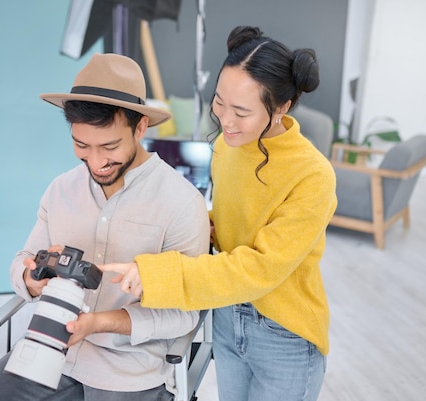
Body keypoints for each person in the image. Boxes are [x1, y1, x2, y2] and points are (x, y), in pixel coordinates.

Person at [101, 26, 338, 401]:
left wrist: (158, 275)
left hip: (285, 336)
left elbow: (258, 268)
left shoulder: (312, 175)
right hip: (227, 317)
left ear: (281, 108)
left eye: (241, 111)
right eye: (219, 102)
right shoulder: (229, 148)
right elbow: (232, 224)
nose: (225, 120)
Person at [0, 53, 210, 401]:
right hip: (48, 353)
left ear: (139, 128)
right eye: (81, 145)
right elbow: (23, 261)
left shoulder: (181, 203)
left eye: (109, 146)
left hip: (128, 371)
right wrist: (32, 277)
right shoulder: (62, 189)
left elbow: (184, 315)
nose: (96, 161)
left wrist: (101, 322)